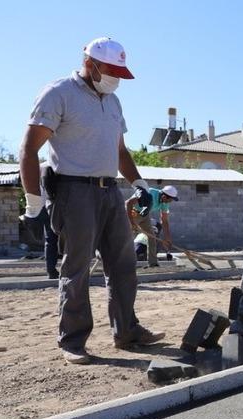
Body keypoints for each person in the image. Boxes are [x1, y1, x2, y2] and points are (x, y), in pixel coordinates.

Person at [18, 37, 165, 364]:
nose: (116, 79)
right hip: (73, 191)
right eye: (110, 71)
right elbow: (29, 149)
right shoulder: (58, 94)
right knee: (77, 267)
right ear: (90, 64)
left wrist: (138, 183)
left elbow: (120, 151)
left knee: (124, 264)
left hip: (110, 191)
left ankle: (126, 331)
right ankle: (72, 340)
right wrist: (33, 206)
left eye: (120, 73)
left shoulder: (112, 102)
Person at [126, 184, 177, 267]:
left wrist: (167, 238)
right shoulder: (149, 193)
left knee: (152, 237)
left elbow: (164, 220)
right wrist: (131, 222)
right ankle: (121, 261)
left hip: (144, 215)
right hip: (132, 212)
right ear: (164, 196)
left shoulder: (165, 202)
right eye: (170, 200)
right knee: (126, 237)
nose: (170, 202)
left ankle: (153, 263)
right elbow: (129, 203)